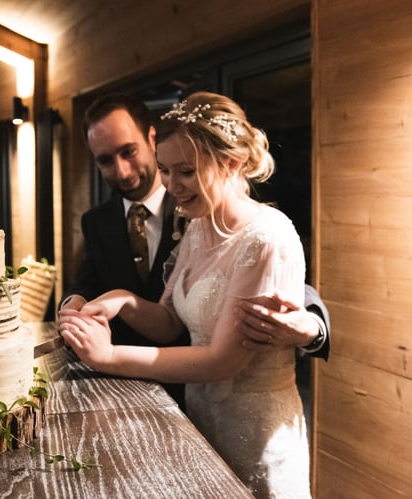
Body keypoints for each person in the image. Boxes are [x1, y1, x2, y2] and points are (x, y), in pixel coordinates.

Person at [58, 91, 311, 497]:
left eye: (185, 172)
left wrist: (108, 356)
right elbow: (170, 322)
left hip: (254, 432)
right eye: (166, 170)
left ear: (232, 162)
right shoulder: (198, 225)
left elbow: (220, 361)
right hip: (199, 420)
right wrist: (124, 298)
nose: (172, 186)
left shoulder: (266, 238)